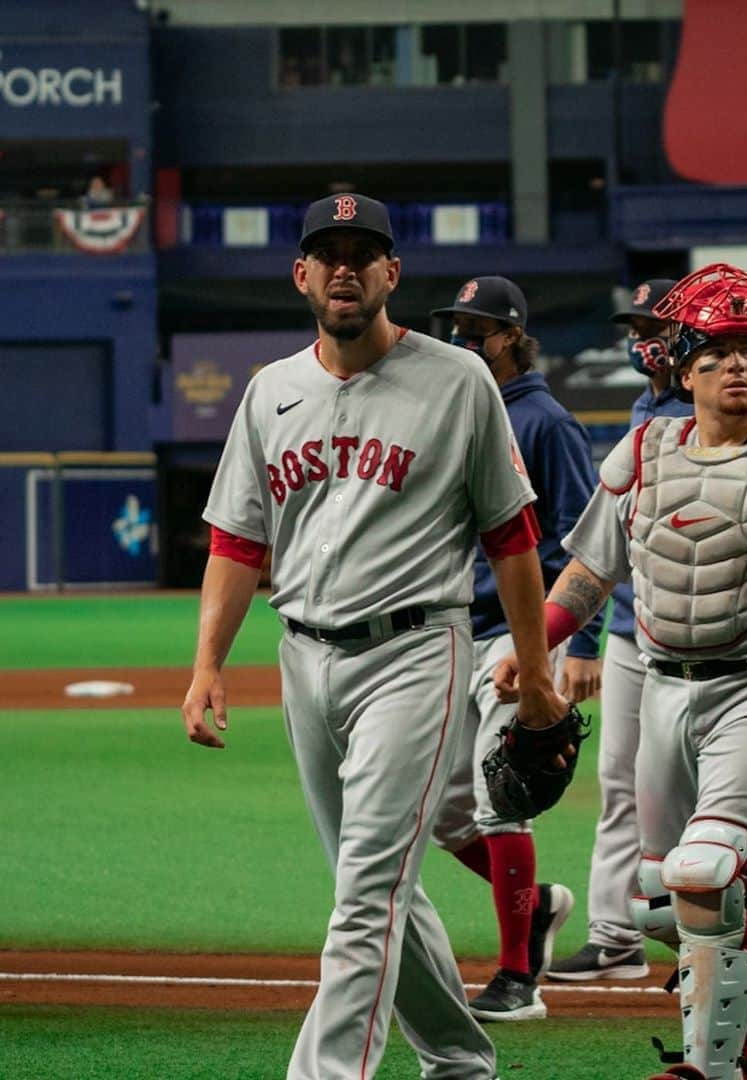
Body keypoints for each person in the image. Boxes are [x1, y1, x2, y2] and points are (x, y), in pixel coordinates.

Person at [180, 192, 570, 1080]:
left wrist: (538, 675)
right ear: (301, 275)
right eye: (328, 252)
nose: (345, 267)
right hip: (303, 659)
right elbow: (238, 541)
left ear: (394, 272)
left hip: (414, 652)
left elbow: (512, 537)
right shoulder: (270, 391)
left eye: (365, 252)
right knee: (381, 886)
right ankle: (463, 1059)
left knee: (365, 894)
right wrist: (208, 663)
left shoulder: (458, 380)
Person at [494, 263, 747, 1080]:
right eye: (718, 353)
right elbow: (587, 576)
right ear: (683, 370)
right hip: (661, 687)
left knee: (704, 868)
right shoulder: (645, 449)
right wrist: (534, 650)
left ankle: (717, 1068)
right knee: (656, 899)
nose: (739, 367)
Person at [549, 279, 747, 985]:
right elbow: (599, 557)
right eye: (633, 327)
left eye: (654, 326)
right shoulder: (644, 422)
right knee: (646, 824)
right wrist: (563, 646)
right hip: (644, 641)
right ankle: (633, 932)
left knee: (719, 828)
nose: (639, 339)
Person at [427, 276, 602, 1021]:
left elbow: (588, 542)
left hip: (515, 634)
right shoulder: (458, 412)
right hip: (450, 632)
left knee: (505, 802)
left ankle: (516, 976)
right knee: (441, 815)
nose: (464, 338)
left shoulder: (546, 423)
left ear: (510, 336)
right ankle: (535, 910)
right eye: (457, 326)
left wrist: (576, 646)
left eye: (478, 328)